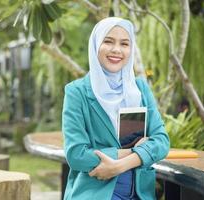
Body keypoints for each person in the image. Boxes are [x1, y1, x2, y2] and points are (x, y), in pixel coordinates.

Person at [62, 17, 170, 200]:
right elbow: (76, 155)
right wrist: (131, 153)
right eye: (108, 41)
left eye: (124, 44)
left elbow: (161, 141)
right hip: (96, 194)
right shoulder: (76, 92)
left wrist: (119, 166)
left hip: (140, 193)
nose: (116, 50)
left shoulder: (140, 89)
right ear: (96, 44)